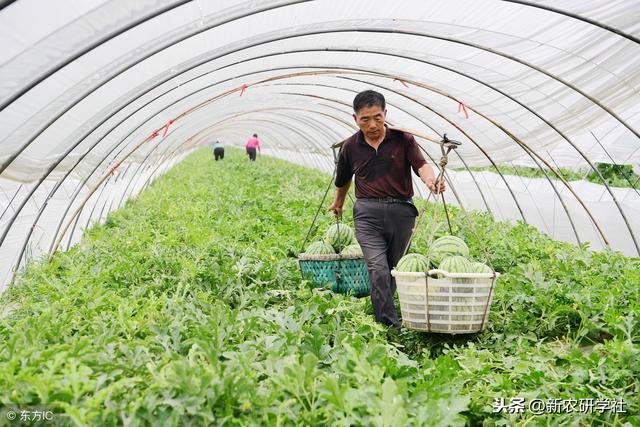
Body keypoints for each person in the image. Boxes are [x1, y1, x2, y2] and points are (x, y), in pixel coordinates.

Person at [329, 89, 445, 329]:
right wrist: (338, 202)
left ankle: (385, 307)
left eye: (378, 117)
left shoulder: (403, 139)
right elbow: (343, 179)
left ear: (385, 114)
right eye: (365, 119)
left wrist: (430, 180)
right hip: (367, 214)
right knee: (378, 268)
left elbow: (421, 165)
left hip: (402, 212)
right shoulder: (351, 146)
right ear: (355, 119)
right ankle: (388, 325)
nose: (372, 124)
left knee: (394, 269)